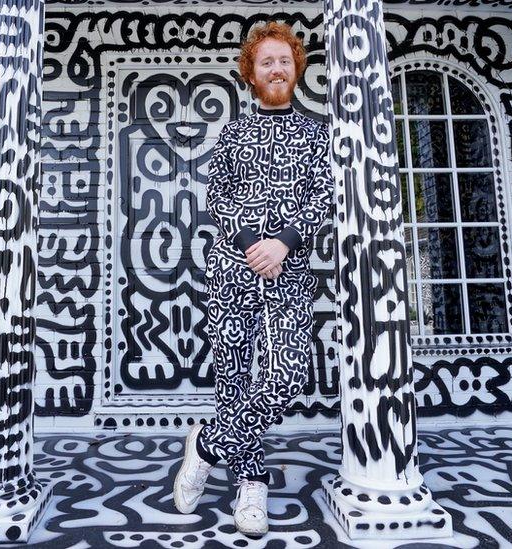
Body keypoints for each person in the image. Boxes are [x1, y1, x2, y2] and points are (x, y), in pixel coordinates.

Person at [171, 21, 333, 537]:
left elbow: (324, 196)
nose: (277, 69)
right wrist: (250, 247)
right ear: (251, 72)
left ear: (296, 68)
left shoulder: (316, 133)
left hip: (289, 273)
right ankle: (251, 484)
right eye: (266, 62)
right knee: (234, 381)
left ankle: (205, 446)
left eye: (284, 60)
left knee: (285, 377)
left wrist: (283, 242)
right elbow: (216, 196)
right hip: (231, 268)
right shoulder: (234, 133)